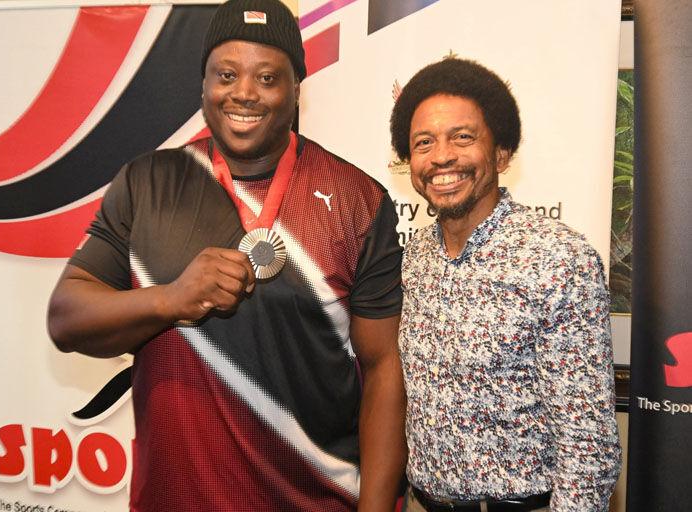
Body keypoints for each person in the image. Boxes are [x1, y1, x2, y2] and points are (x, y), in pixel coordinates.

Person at [47, 1, 406, 510]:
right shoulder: (147, 182)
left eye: (267, 76)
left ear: (295, 89)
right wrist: (171, 299)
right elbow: (66, 318)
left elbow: (383, 366)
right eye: (226, 74)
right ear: (203, 84)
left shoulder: (358, 198)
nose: (243, 92)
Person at [390, 57, 621, 512]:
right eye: (423, 142)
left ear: (501, 153)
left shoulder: (559, 259)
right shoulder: (415, 258)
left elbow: (588, 445)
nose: (441, 157)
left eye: (463, 137)